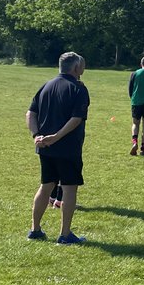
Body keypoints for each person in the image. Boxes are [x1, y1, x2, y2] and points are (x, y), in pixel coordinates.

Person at [27, 51, 90, 245]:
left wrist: (36, 135)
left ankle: (35, 230)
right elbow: (76, 118)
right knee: (69, 189)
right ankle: (65, 234)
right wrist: (56, 137)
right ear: (76, 68)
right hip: (67, 148)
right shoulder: (78, 89)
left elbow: (30, 113)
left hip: (45, 148)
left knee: (46, 187)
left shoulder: (46, 86)